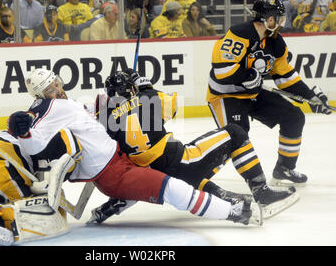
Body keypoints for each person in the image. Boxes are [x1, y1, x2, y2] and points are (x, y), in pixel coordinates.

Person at [88, 69, 297, 223]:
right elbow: (172, 108)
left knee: (178, 176)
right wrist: (146, 87)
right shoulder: (146, 98)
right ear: (131, 88)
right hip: (181, 160)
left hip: (155, 175)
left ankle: (114, 205)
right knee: (235, 132)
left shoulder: (106, 122)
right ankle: (261, 191)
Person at [206, 0, 332, 188]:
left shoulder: (276, 42)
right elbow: (221, 70)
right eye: (277, 18)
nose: (281, 22)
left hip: (253, 94)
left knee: (294, 117)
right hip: (226, 95)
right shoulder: (239, 34)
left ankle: (284, 168)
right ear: (266, 19)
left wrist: (310, 97)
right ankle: (198, 171)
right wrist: (247, 76)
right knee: (237, 137)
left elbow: (286, 77)